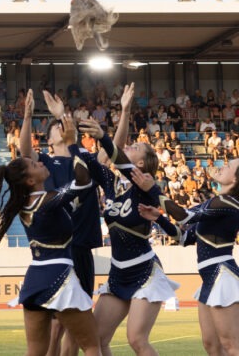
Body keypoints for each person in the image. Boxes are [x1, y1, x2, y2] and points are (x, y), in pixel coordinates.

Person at [0, 95, 100, 356]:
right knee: (92, 346)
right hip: (60, 275)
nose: (40, 162)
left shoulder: (24, 204)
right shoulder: (48, 200)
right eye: (36, 164)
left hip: (34, 279)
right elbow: (83, 182)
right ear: (28, 180)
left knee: (35, 352)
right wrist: (72, 144)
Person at [73, 86, 180, 356]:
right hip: (118, 272)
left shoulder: (145, 185)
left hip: (144, 271)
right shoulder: (110, 183)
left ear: (142, 164)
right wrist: (69, 137)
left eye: (136, 148)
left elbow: (115, 152)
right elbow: (94, 161)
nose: (129, 146)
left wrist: (118, 120)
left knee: (136, 340)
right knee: (96, 340)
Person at [18, 89, 104, 356]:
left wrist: (123, 114)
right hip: (59, 252)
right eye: (55, 126)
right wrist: (28, 115)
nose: (60, 126)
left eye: (62, 124)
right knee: (56, 328)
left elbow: (113, 152)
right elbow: (24, 152)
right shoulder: (43, 163)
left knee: (77, 329)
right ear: (48, 139)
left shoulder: (84, 160)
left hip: (80, 249)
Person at [150, 158, 239, 354]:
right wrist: (159, 218)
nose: (224, 165)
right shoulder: (215, 203)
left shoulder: (227, 202)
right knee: (211, 345)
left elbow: (183, 216)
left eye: (230, 165)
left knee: (232, 346)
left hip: (222, 275)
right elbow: (183, 237)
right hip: (209, 279)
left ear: (235, 179)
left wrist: (153, 190)